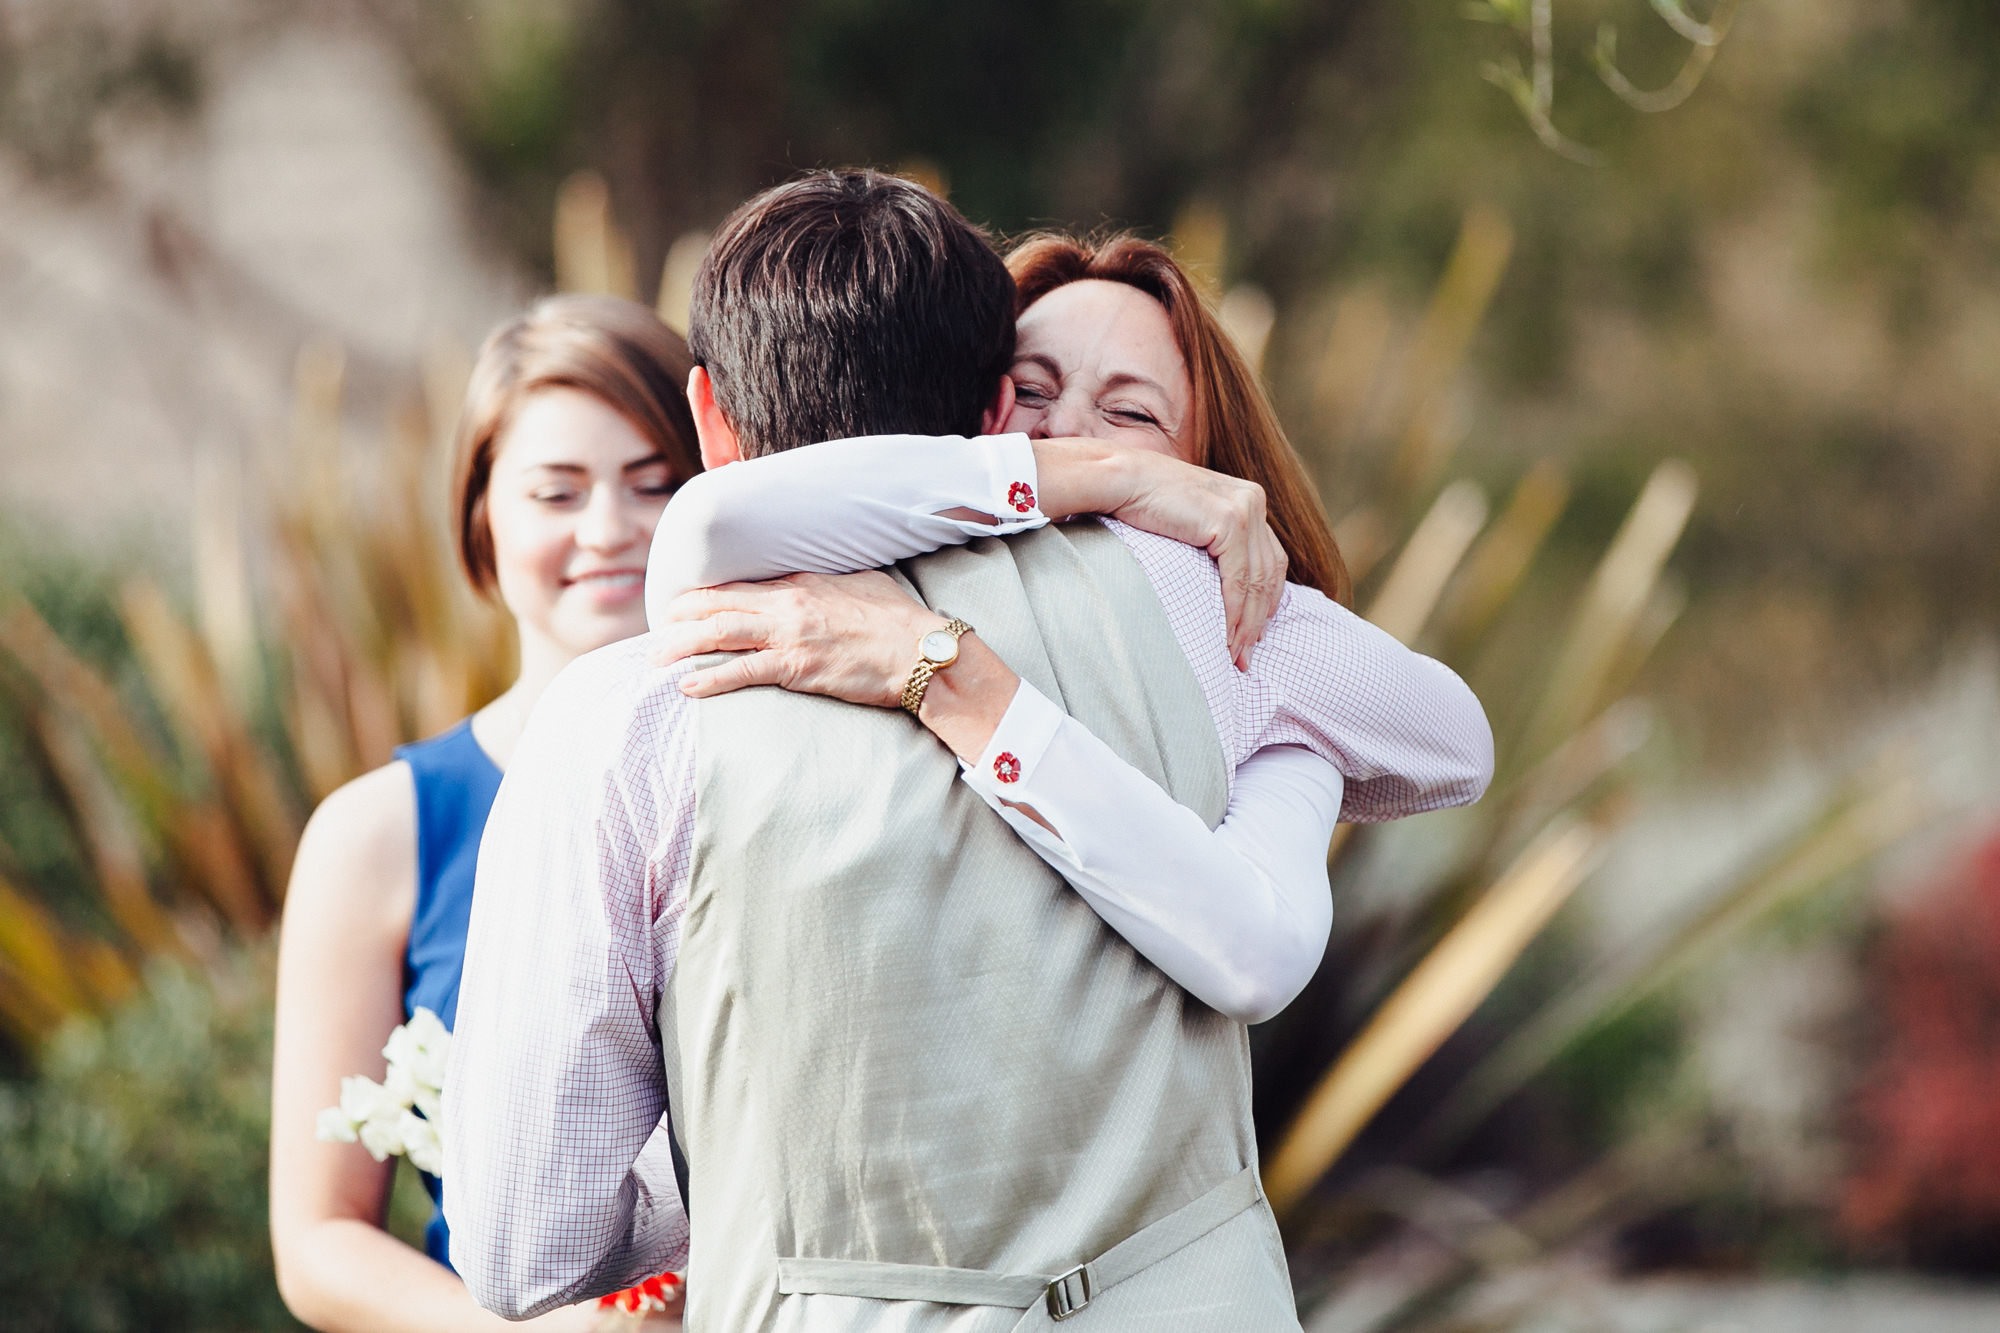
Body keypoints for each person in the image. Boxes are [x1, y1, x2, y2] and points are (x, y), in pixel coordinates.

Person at [446, 171, 1491, 1331]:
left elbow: (522, 1246)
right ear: (999, 410)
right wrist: (1279, 743)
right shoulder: (1206, 612)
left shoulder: (622, 715)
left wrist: (730, 1150)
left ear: (706, 420)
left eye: (1127, 417)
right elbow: (1447, 749)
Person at [639, 232, 1493, 1024]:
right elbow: (713, 521)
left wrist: (947, 677)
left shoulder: (1235, 630)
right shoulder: (854, 548)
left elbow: (1451, 751)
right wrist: (1112, 472)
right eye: (1033, 394)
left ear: (1208, 477)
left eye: (1129, 416)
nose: (1068, 432)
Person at [268, 295, 700, 1333]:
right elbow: (320, 1238)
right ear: (481, 515)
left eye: (655, 485)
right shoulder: (377, 833)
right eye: (557, 490)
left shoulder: (797, 766)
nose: (608, 529)